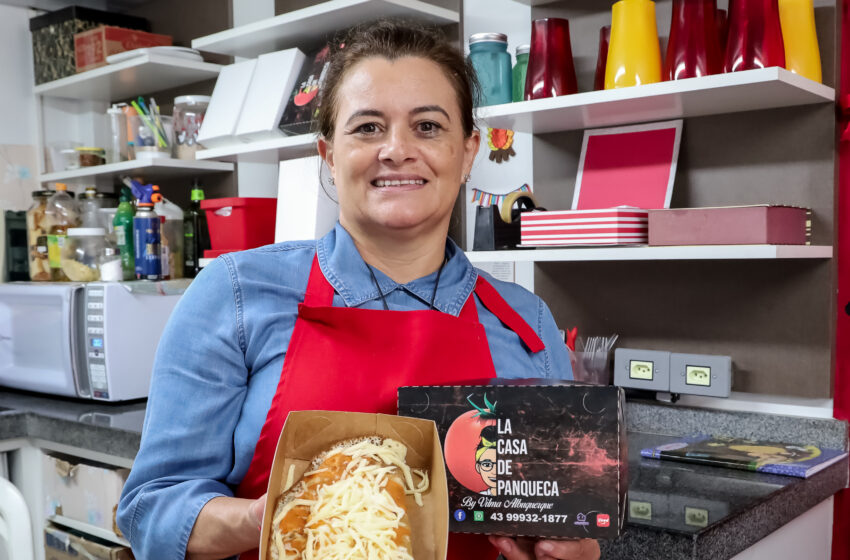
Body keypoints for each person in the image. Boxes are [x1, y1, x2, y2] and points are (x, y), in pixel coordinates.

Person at [117, 20, 599, 560]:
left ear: (467, 152)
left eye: (428, 127)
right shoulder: (232, 294)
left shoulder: (526, 322)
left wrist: (572, 549)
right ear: (327, 153)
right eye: (368, 127)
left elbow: (564, 520)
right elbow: (149, 510)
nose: (396, 150)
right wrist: (270, 515)